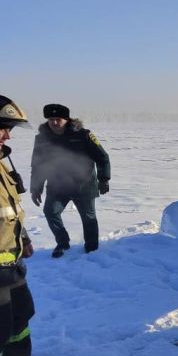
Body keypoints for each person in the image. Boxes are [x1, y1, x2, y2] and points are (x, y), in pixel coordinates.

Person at [0, 95, 44, 356]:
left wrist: (24, 238)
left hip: (10, 262)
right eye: (2, 127)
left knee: (20, 316)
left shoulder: (2, 163)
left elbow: (11, 211)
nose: (7, 134)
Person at [30, 103, 111, 258]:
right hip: (57, 185)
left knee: (88, 218)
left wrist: (104, 179)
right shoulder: (42, 139)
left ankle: (92, 247)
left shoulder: (83, 135)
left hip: (84, 184)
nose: (54, 123)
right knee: (50, 211)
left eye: (58, 119)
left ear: (66, 119)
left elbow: (102, 157)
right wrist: (36, 188)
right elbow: (38, 164)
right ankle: (62, 242)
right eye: (51, 119)